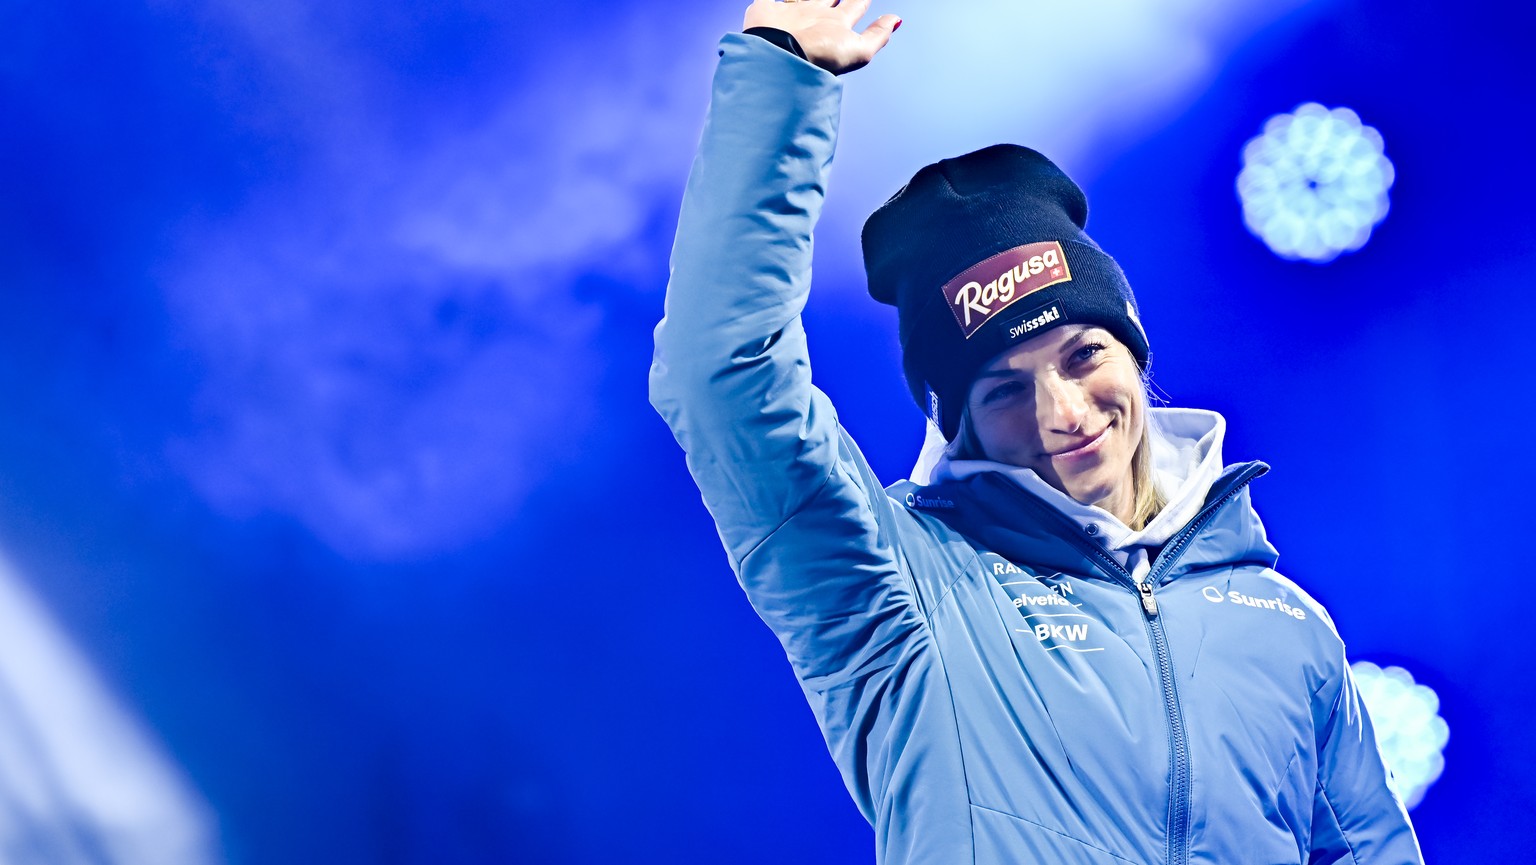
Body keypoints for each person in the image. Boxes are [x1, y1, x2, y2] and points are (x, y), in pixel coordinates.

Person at [648, 1, 1424, 862]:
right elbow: (722, 376)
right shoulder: (896, 593)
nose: (1062, 412)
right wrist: (779, 76)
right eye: (1004, 388)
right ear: (959, 422)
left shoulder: (1286, 625)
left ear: (1132, 346)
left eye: (1083, 353)